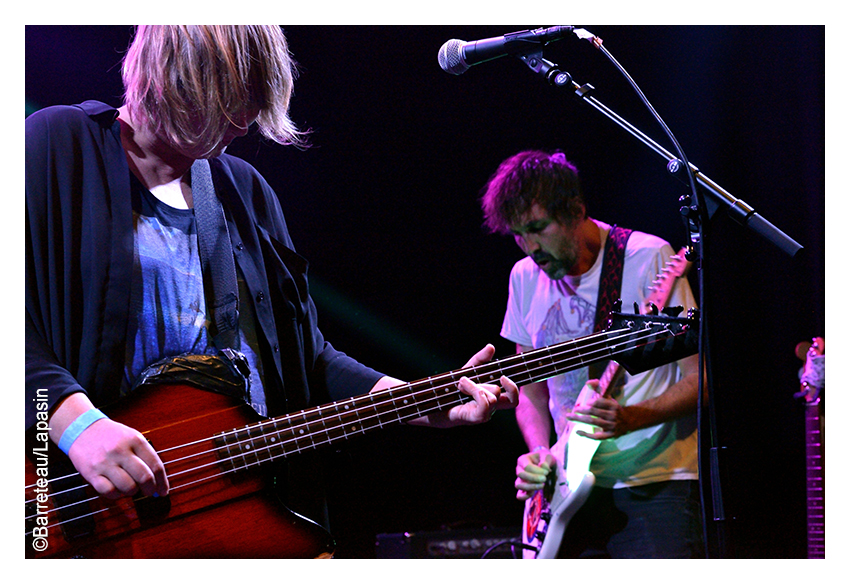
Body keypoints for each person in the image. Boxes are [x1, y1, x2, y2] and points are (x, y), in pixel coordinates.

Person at [25, 25, 517, 555]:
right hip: (84, 509)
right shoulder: (58, 144)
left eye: (249, 103)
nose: (240, 122)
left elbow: (307, 359)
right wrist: (75, 426)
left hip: (235, 502)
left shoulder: (246, 191)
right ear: (169, 74)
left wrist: (421, 402)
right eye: (226, 99)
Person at [480, 149, 703, 558]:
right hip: (567, 492)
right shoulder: (523, 277)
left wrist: (633, 416)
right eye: (518, 234)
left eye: (538, 227)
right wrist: (538, 451)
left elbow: (700, 379)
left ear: (576, 211)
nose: (529, 247)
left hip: (653, 481)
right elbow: (530, 392)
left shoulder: (648, 257)